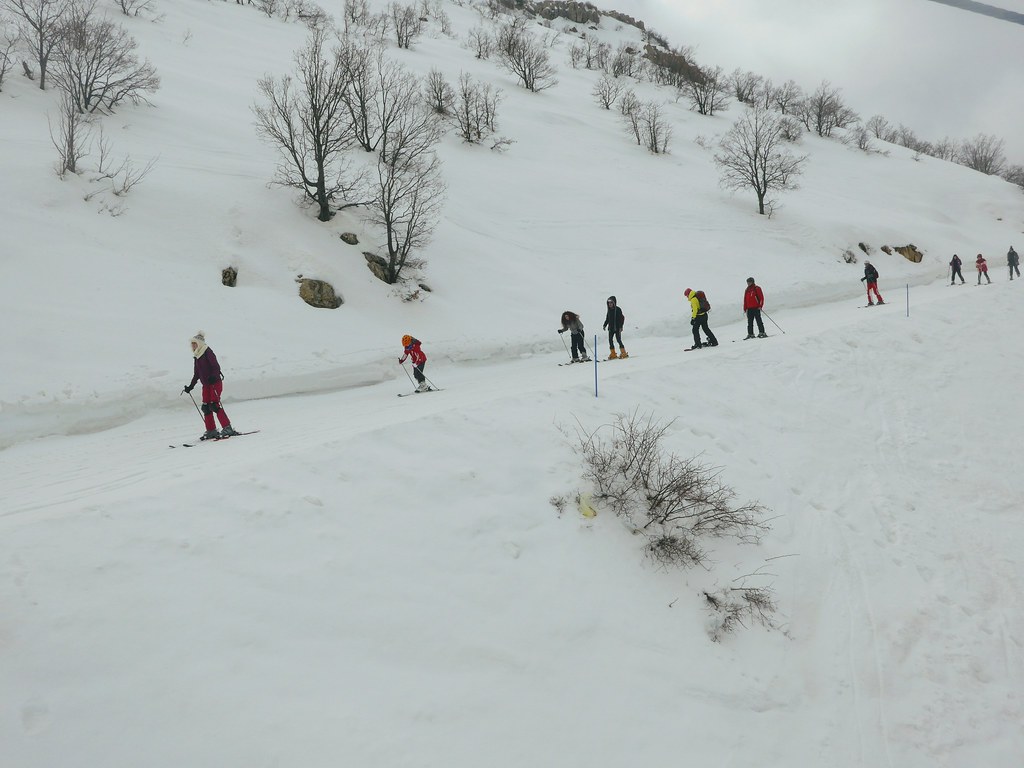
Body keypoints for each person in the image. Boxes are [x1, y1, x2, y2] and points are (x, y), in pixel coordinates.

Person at [183, 331, 240, 440]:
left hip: (214, 383)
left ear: (199, 344)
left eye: (194, 343)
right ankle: (211, 430)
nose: (193, 346)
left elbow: (216, 366)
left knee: (214, 405)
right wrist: (191, 386)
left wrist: (214, 376)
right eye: (192, 344)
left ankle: (227, 428)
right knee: (206, 407)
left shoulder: (207, 352)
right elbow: (197, 374)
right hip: (206, 385)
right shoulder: (197, 356)